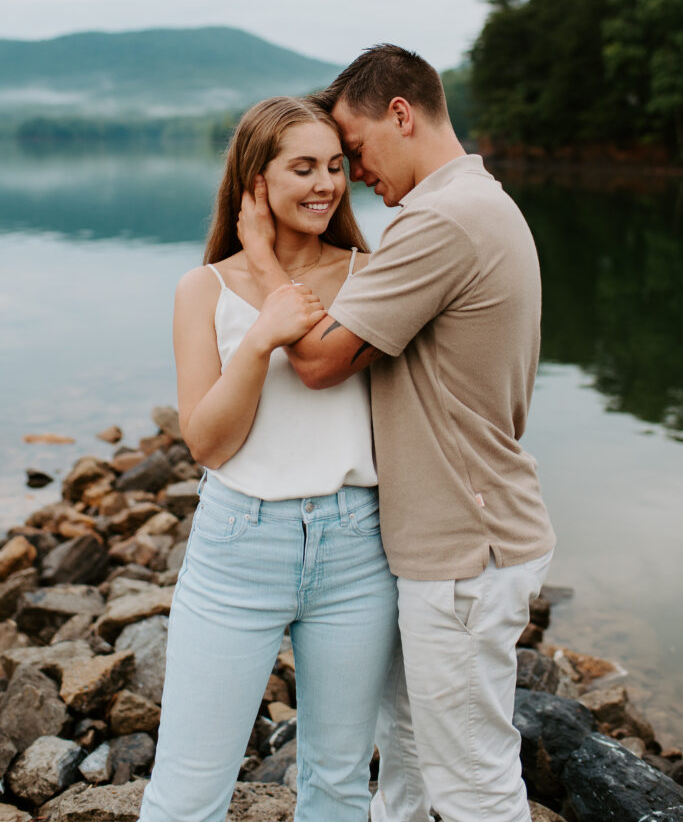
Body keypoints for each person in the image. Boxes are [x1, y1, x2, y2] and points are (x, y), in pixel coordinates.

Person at [237, 45, 557, 822]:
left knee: (473, 784)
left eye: (353, 150)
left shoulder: (443, 219)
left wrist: (256, 251)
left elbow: (315, 362)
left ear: (402, 115)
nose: (353, 173)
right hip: (452, 543)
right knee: (409, 766)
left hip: (461, 548)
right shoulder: (475, 202)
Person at [138, 96, 398, 822]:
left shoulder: (368, 273)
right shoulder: (204, 289)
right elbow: (208, 442)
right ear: (255, 179)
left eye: (336, 166)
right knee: (188, 792)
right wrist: (257, 339)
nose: (325, 184)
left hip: (356, 549)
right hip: (238, 546)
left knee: (339, 782)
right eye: (302, 167)